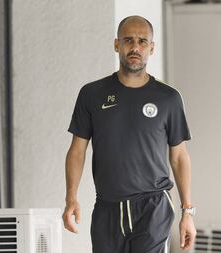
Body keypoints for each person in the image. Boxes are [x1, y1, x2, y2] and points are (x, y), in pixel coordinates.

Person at [63, 15, 196, 253]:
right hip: (107, 208)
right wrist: (71, 197)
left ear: (152, 48)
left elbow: (179, 157)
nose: (135, 47)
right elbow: (77, 150)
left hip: (153, 206)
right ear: (117, 45)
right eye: (128, 40)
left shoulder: (169, 98)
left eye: (143, 41)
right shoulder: (92, 94)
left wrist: (188, 212)